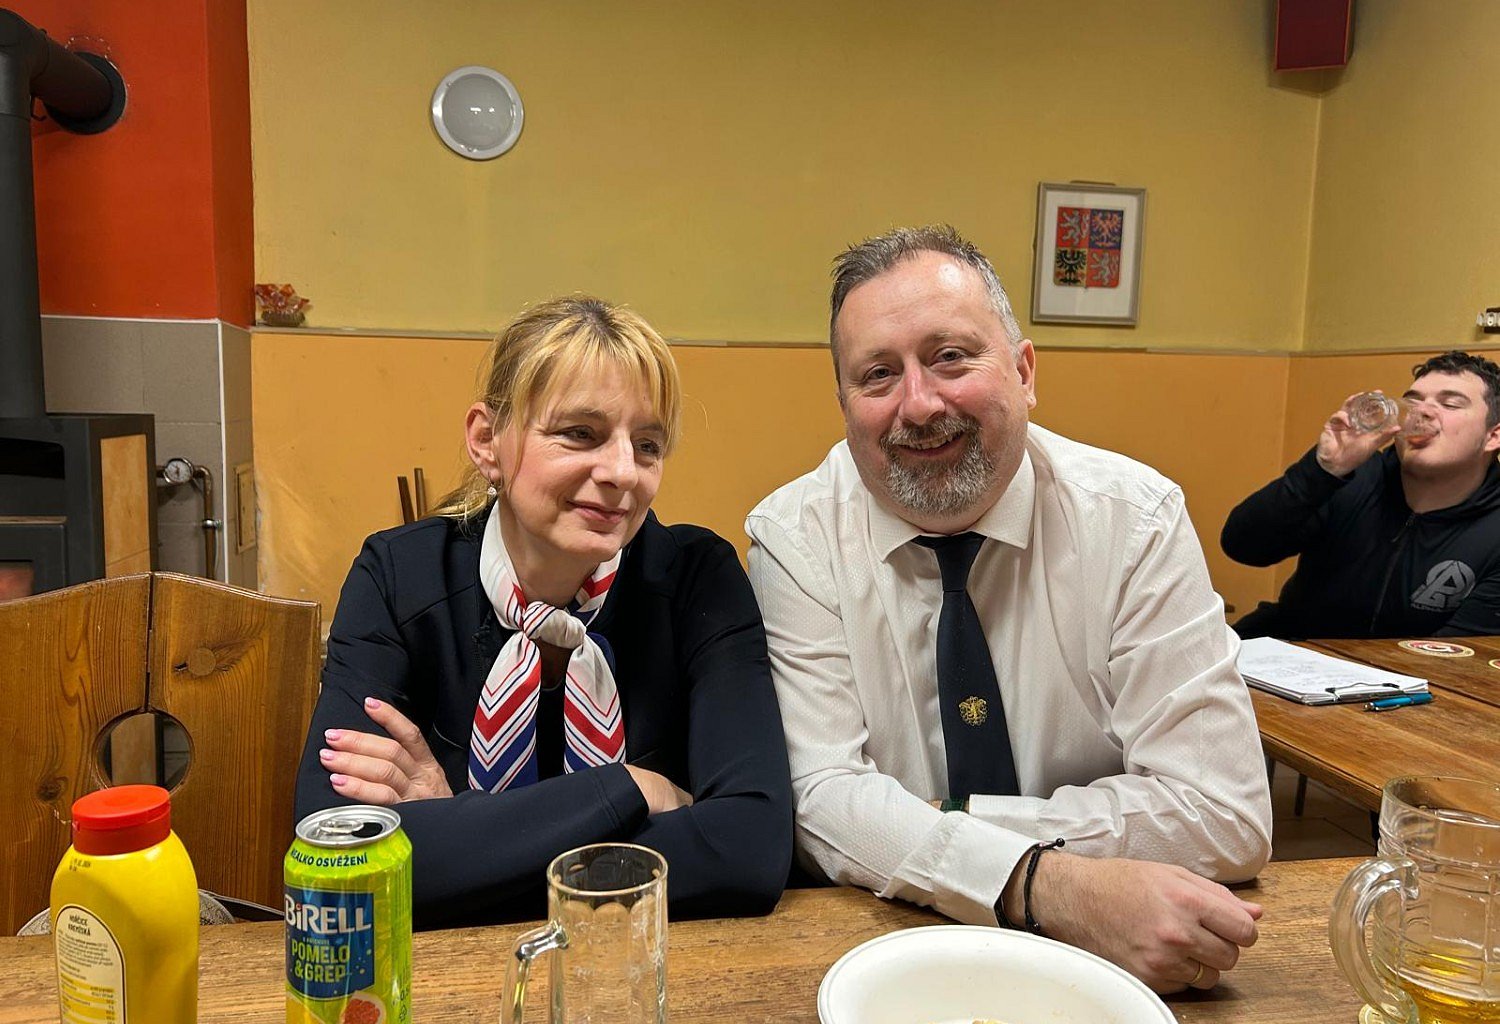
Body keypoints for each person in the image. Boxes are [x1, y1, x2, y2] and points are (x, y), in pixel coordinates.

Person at [745, 225, 1272, 994]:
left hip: (1118, 962)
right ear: (845, 405)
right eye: (878, 375)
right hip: (886, 952)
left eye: (951, 357)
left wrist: (936, 822)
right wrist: (1043, 885)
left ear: (1024, 372)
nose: (919, 404)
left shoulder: (1136, 518)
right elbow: (820, 800)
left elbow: (1224, 813)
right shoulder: (795, 536)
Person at [295, 296, 793, 928]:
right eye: (580, 433)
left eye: (647, 444)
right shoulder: (398, 577)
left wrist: (456, 836)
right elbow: (333, 856)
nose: (623, 472)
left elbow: (747, 851)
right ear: (487, 441)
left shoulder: (699, 578)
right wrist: (633, 789)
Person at [1223, 351, 1500, 639]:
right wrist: (1322, 470)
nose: (1421, 412)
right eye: (1413, 401)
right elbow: (1242, 546)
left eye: (1450, 404)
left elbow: (1454, 653)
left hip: (1398, 667)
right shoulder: (1352, 476)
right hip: (1282, 647)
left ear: (1493, 436)